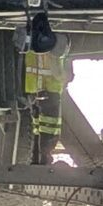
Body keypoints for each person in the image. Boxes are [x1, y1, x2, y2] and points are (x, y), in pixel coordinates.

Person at [18, 10, 69, 165]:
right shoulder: (56, 42)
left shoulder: (31, 41)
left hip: (38, 91)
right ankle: (40, 159)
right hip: (46, 92)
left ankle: (39, 159)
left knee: (41, 129)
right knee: (46, 129)